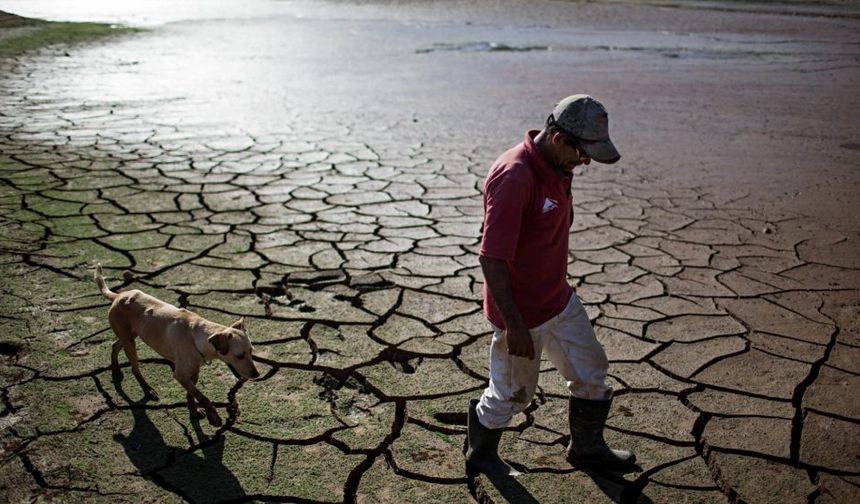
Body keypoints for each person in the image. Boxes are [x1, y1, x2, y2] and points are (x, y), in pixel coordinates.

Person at [465, 95, 636, 476]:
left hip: (558, 301)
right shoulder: (515, 177)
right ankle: (481, 455)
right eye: (583, 152)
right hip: (522, 314)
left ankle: (586, 448)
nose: (586, 161)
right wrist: (514, 325)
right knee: (512, 396)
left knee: (592, 371)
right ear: (559, 139)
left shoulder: (558, 165)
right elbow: (491, 258)